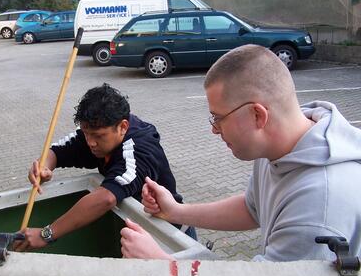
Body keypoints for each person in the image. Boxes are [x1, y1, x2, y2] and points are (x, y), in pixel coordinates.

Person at [120, 44, 361, 262]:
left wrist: (164, 265)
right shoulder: (279, 150)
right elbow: (251, 209)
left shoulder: (317, 205)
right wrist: (175, 211)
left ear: (258, 115)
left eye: (218, 118)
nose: (214, 129)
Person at [16, 83, 196, 251]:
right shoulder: (98, 133)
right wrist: (44, 167)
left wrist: (46, 234)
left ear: (123, 126)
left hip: (171, 238)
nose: (91, 142)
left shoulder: (138, 150)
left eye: (98, 136)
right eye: (86, 133)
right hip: (139, 237)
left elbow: (106, 198)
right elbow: (57, 150)